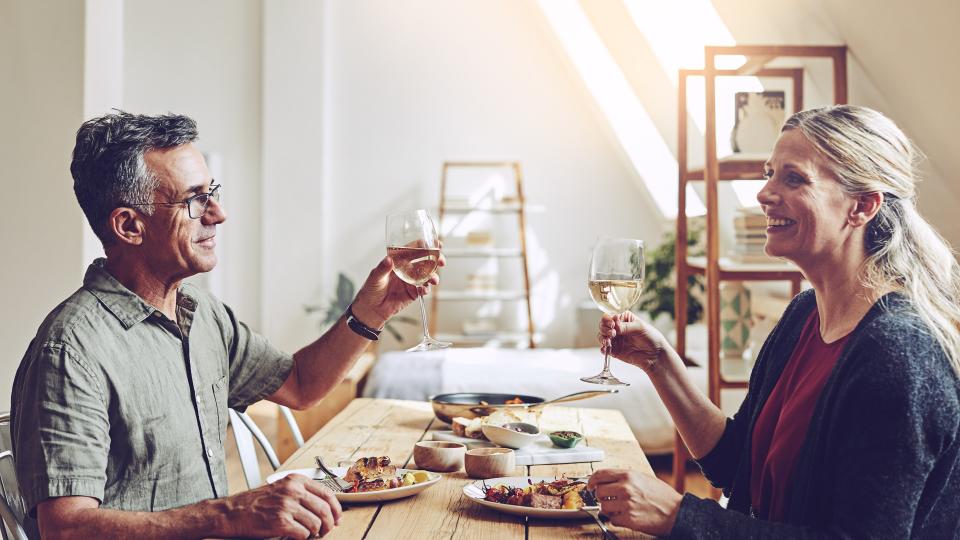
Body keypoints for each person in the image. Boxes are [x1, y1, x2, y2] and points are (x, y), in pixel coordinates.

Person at [11, 111, 442, 539]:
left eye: (211, 192)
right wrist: (228, 515)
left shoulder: (199, 311)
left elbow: (300, 384)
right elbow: (66, 530)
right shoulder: (70, 352)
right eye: (194, 199)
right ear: (129, 225)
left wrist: (372, 312)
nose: (218, 213)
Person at [589, 105, 960, 537]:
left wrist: (678, 516)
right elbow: (737, 463)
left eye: (794, 178)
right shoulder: (803, 316)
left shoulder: (899, 354)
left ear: (862, 206)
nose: (764, 193)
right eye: (769, 173)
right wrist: (657, 361)